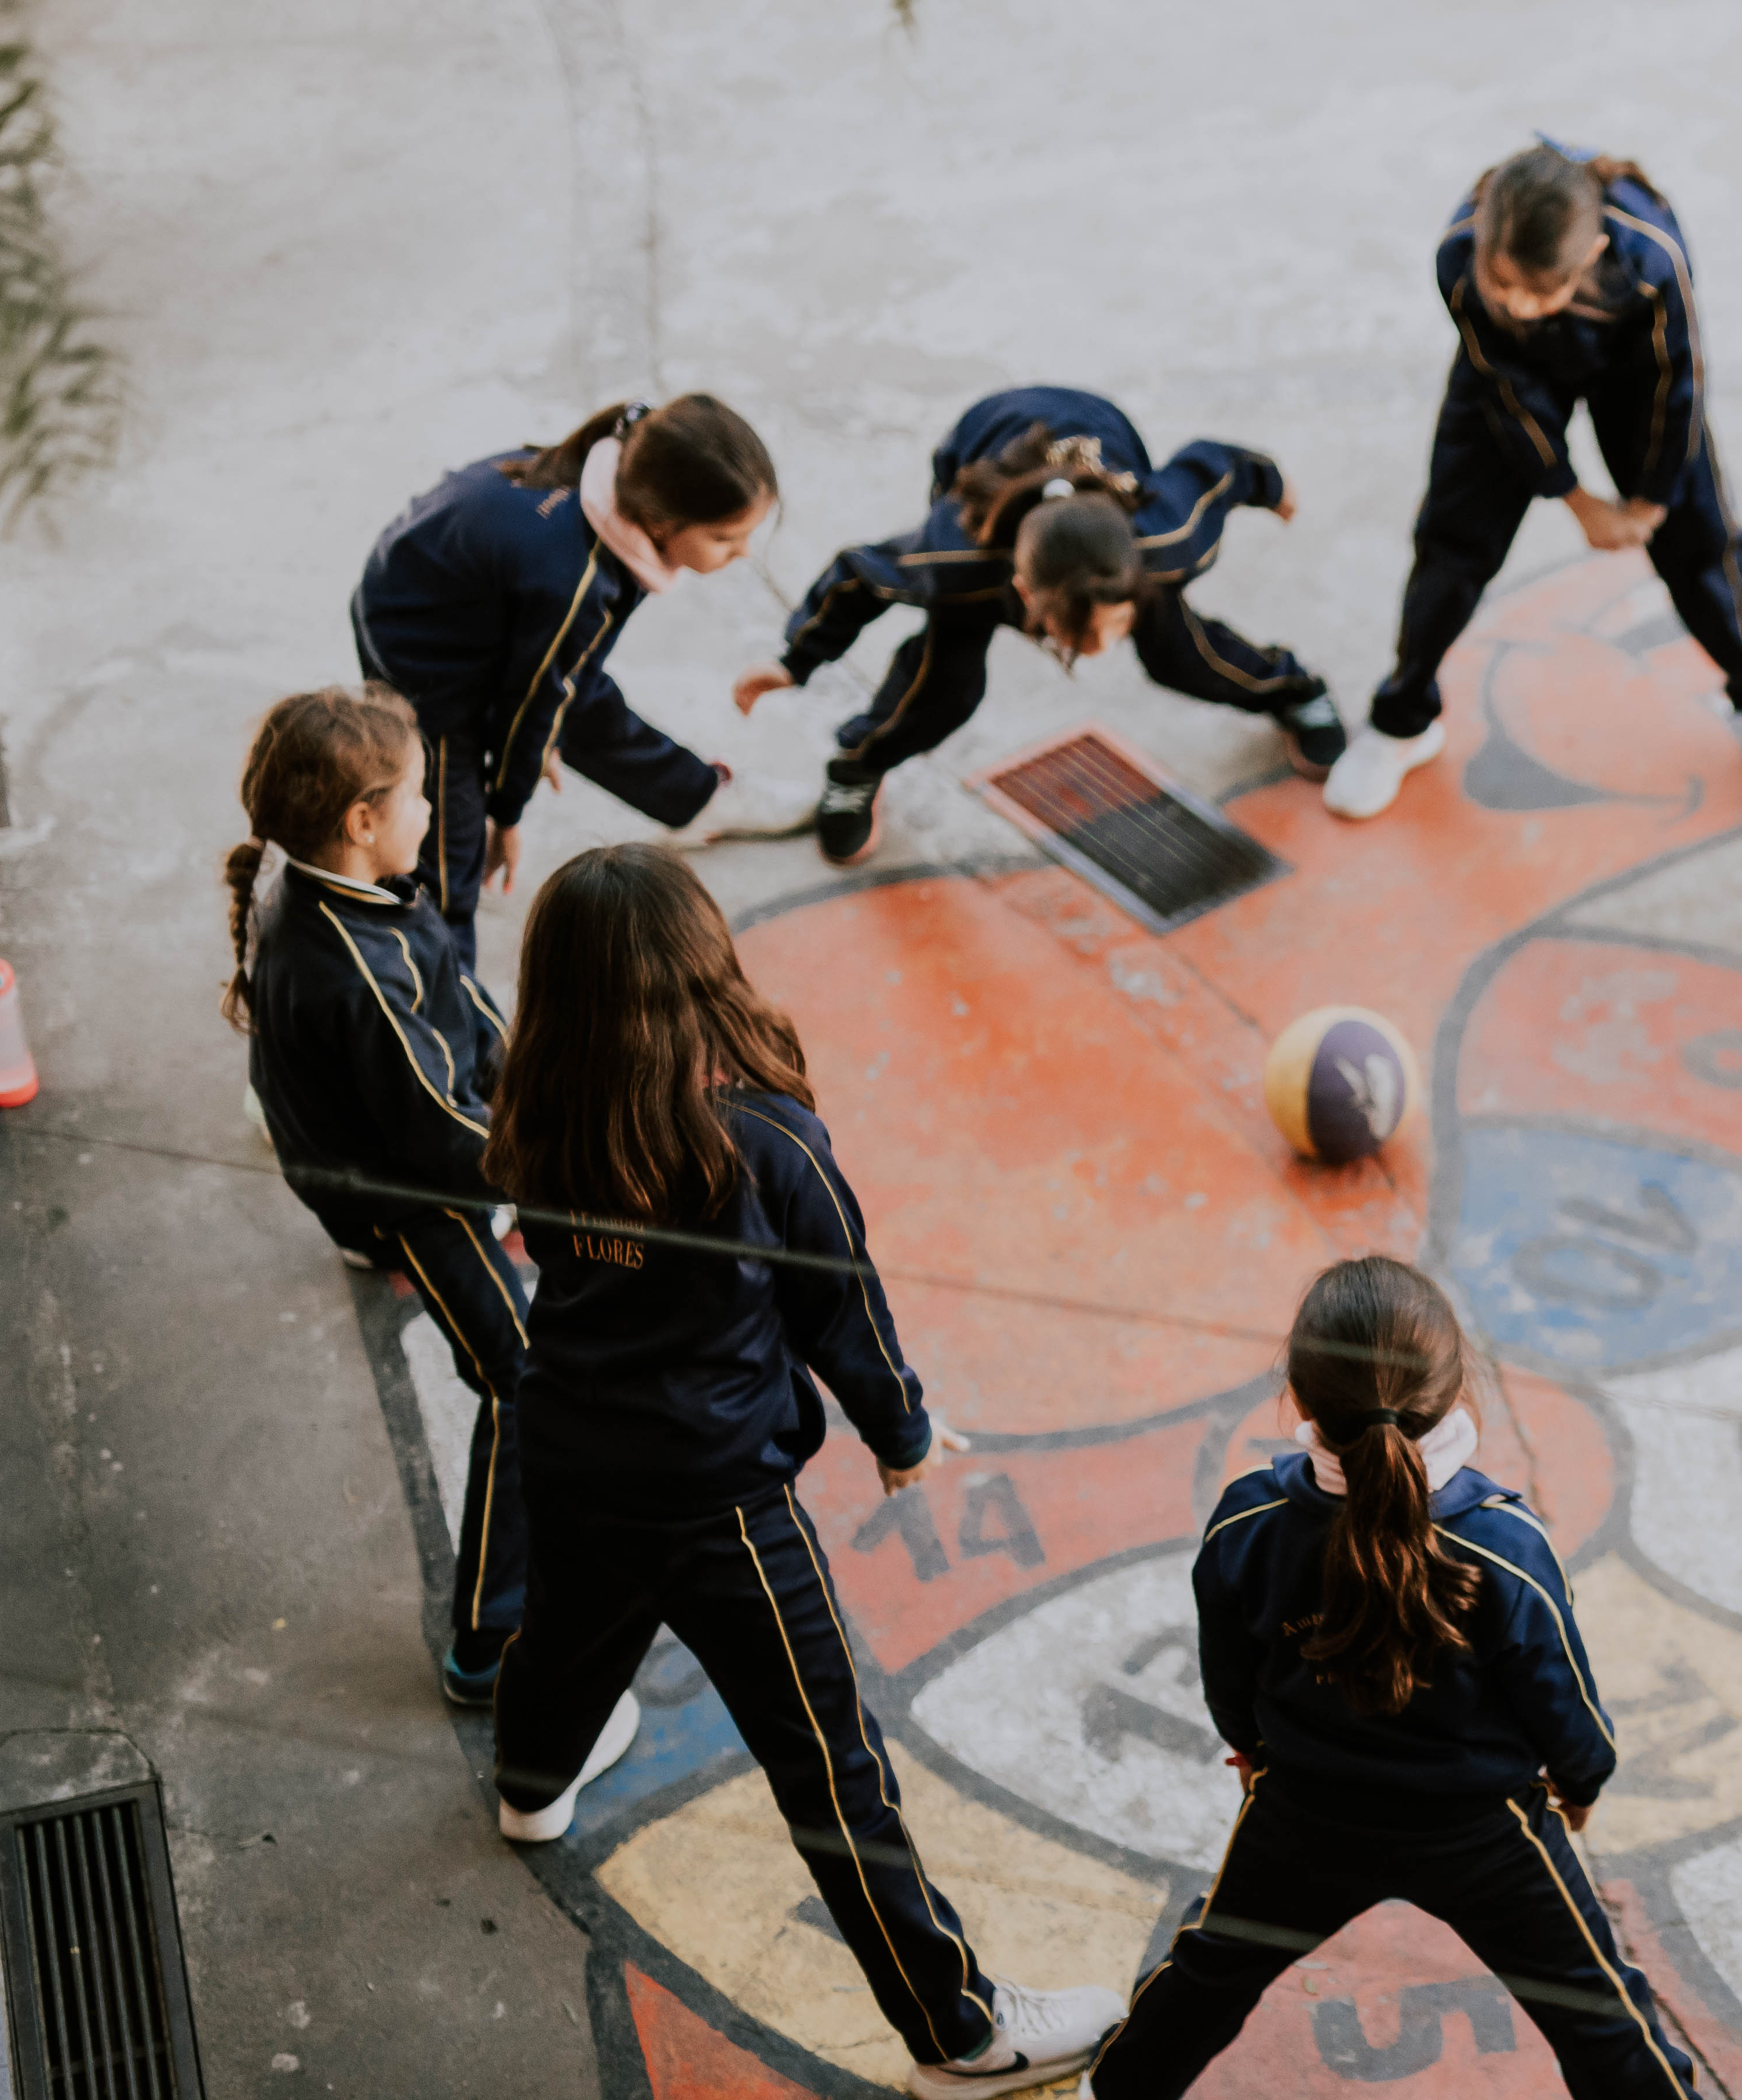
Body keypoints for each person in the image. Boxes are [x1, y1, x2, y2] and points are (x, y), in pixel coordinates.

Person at [477, 844, 1119, 2100]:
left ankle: (531, 1783)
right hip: (721, 1501)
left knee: (562, 1634)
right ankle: (958, 2031)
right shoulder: (768, 1139)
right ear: (704, 964)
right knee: (831, 1767)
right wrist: (905, 1434)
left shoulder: (542, 1102)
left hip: (565, 1448)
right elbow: (845, 1314)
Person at [1070, 1257, 1742, 2100]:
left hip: (1303, 1806)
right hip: (1487, 1830)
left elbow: (1229, 1669)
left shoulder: (1250, 1520)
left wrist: (1253, 1752)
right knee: (1599, 2013)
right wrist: (1583, 1780)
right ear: (1458, 1393)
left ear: (1296, 1399)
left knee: (1219, 1959)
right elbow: (1562, 1696)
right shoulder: (1506, 1544)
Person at [1320, 140, 1742, 824]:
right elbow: (1508, 388)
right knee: (1451, 544)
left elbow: (1676, 385)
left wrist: (1648, 502)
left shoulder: (1651, 260)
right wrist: (1575, 498)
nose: (1522, 305)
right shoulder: (1458, 258)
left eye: (1542, 290)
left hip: (1632, 373)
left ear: (1589, 259)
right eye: (1505, 286)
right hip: (1510, 376)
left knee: (1700, 540)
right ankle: (1404, 718)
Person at [222, 686, 526, 1703]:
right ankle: (489, 1639)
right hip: (408, 1190)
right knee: (527, 1382)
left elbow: (453, 989)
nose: (434, 815)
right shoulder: (353, 971)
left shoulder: (341, 887)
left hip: (340, 1138)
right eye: (419, 800)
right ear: (361, 823)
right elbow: (445, 1143)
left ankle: (364, 1241)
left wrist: (514, 1058)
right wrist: (559, 1170)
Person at [744, 387, 1345, 866]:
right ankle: (858, 763)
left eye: (1116, 623)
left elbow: (1217, 464)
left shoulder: (1164, 536)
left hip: (1096, 430)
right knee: (945, 682)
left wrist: (1272, 485)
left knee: (1178, 653)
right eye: (1081, 635)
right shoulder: (956, 558)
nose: (1104, 648)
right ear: (1026, 596)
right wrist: (794, 659)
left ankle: (1295, 688)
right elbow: (857, 576)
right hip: (981, 444)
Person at [353, 396, 780, 957]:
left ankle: (694, 797)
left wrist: (543, 734)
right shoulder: (574, 581)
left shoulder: (615, 477)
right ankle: (444, 1005)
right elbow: (530, 706)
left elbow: (556, 682)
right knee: (446, 857)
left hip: (454, 593)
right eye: (725, 538)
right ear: (659, 520)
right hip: (422, 658)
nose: (744, 553)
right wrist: (504, 811)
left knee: (572, 695)